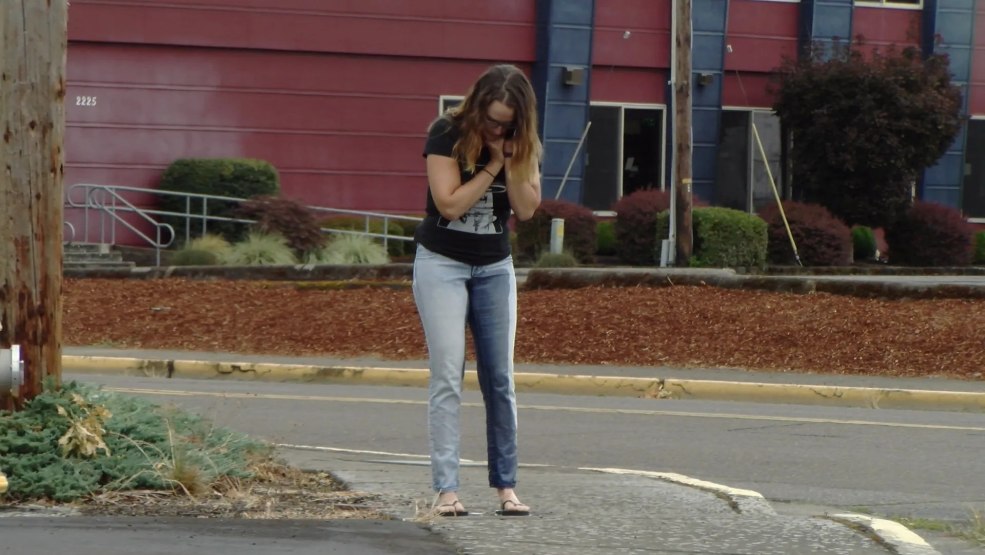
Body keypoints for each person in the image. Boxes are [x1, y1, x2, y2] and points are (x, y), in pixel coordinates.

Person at [412, 64, 542, 517]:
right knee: (448, 374)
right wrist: (492, 165)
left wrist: (515, 159)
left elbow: (526, 209)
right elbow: (449, 204)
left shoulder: (520, 142)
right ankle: (446, 491)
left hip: (495, 268)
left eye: (507, 123)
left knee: (500, 379)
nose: (496, 129)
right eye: (491, 120)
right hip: (441, 263)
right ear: (477, 106)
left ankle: (507, 488)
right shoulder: (446, 132)